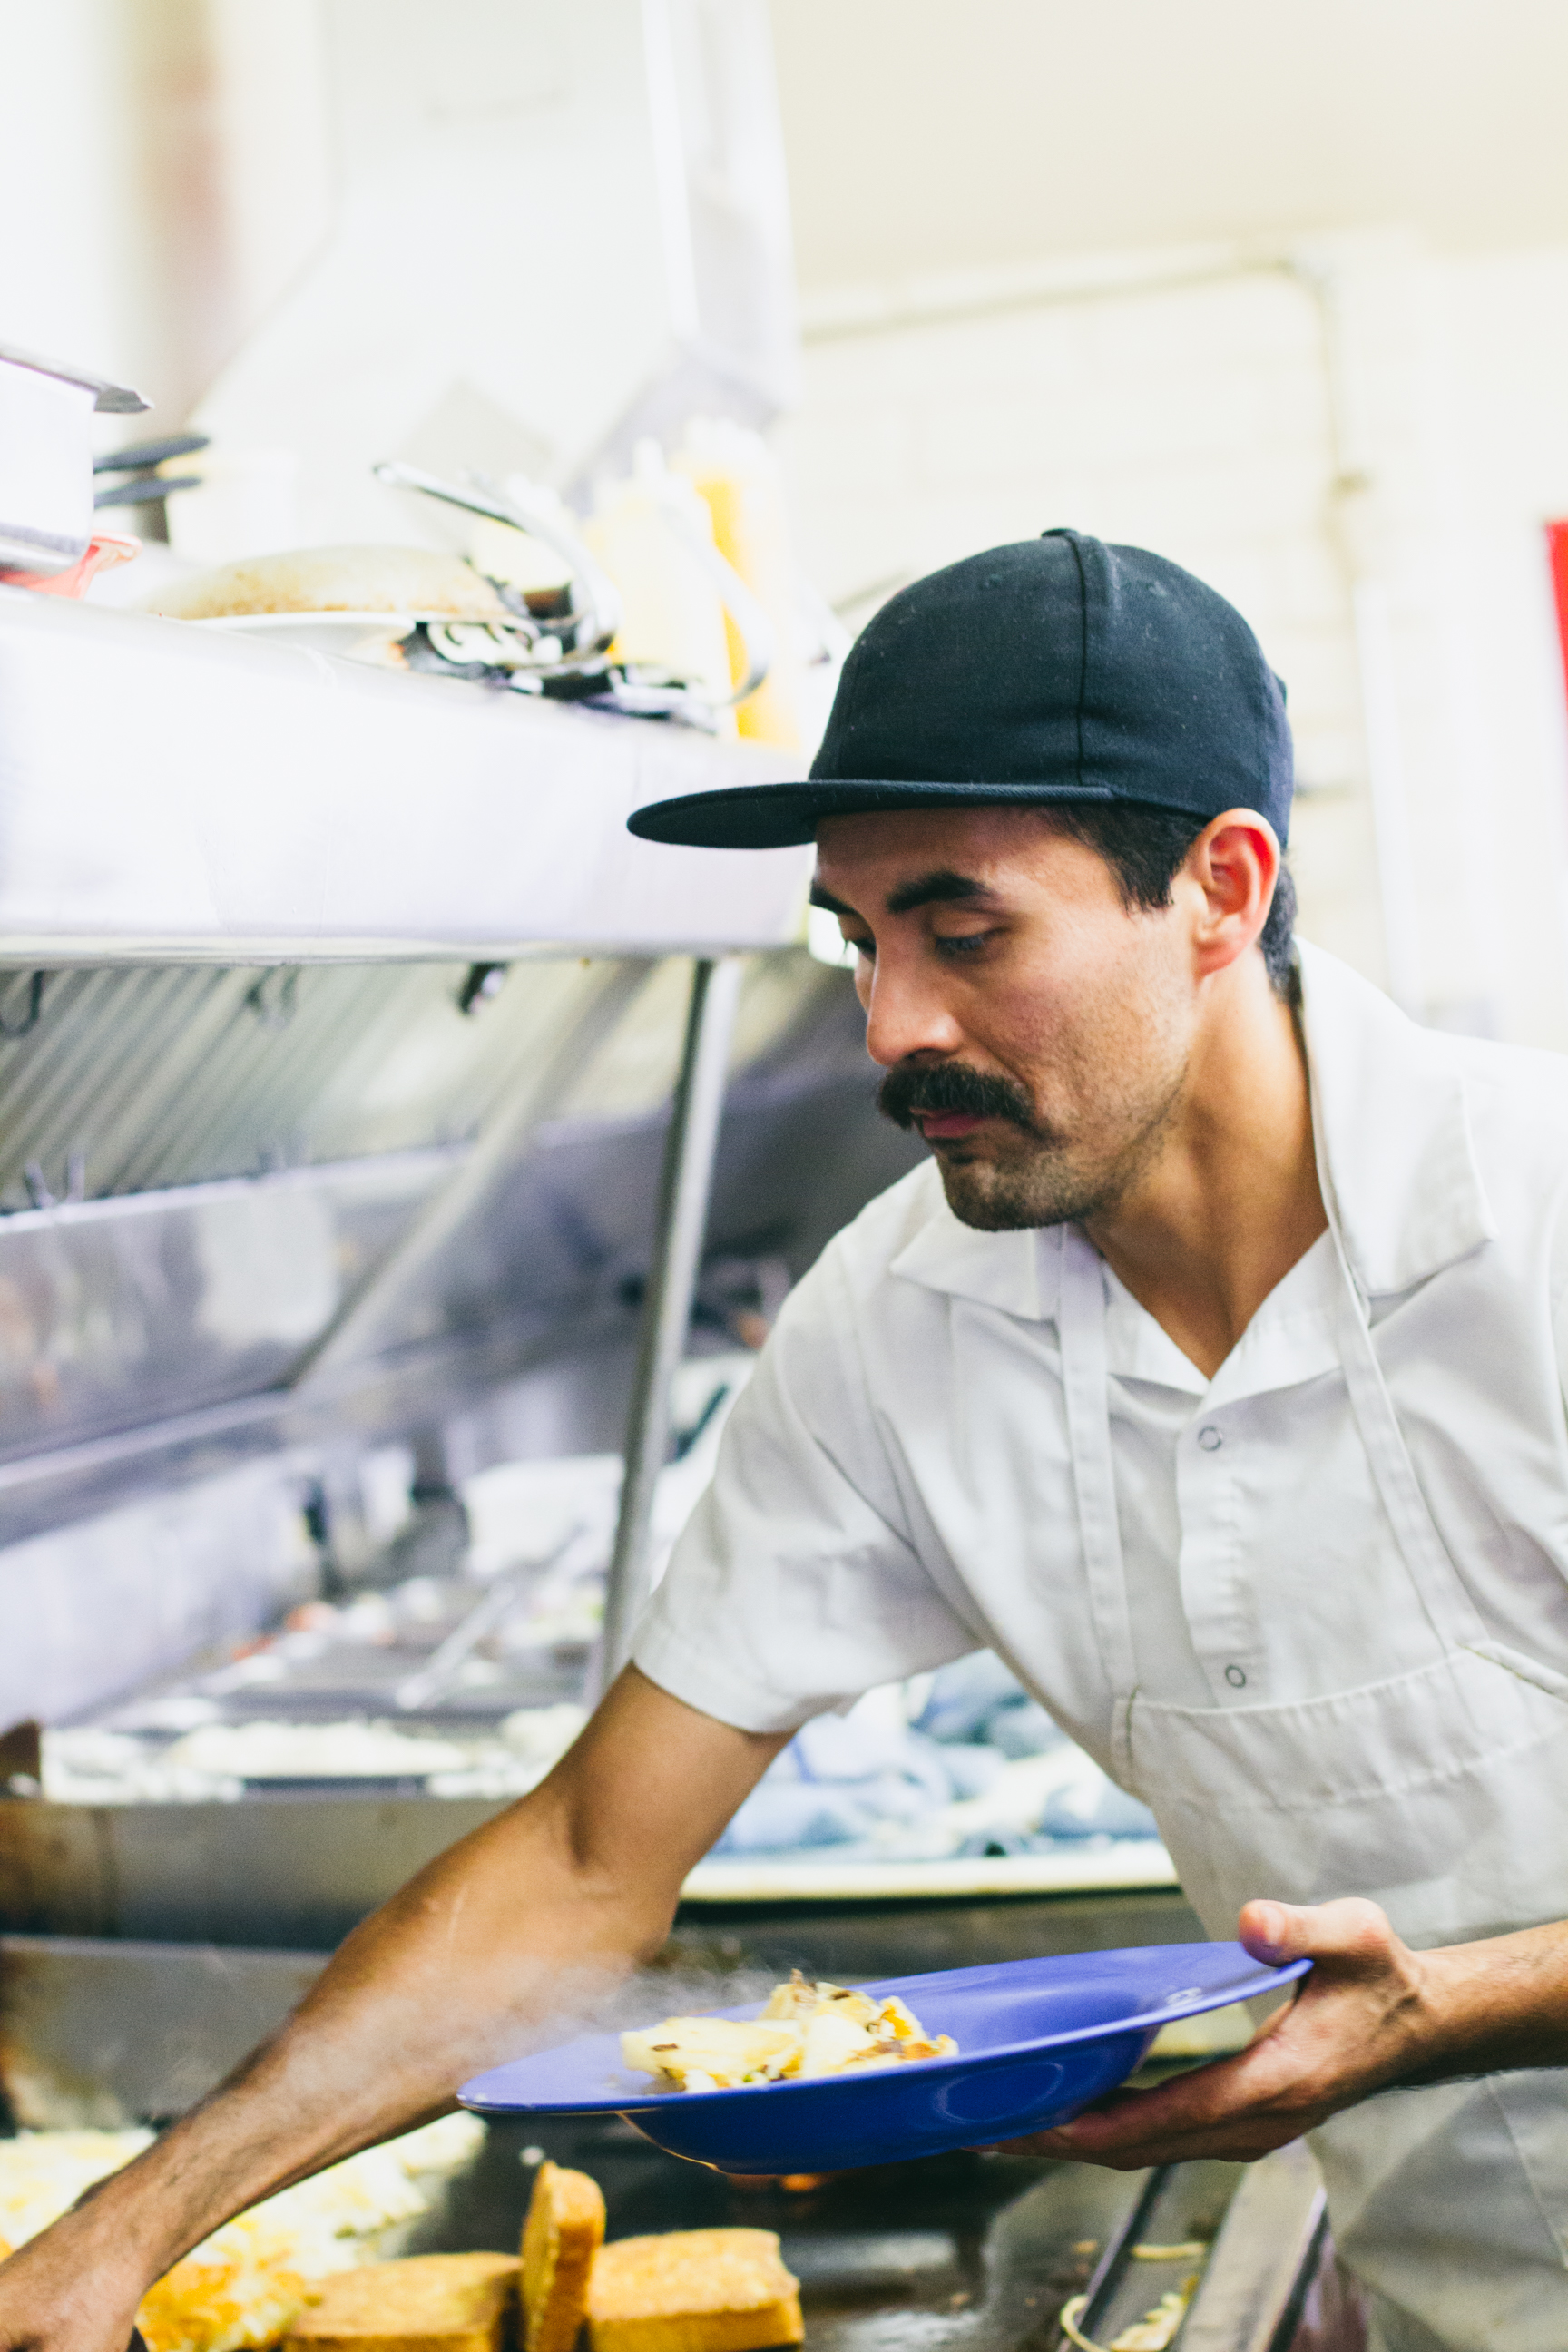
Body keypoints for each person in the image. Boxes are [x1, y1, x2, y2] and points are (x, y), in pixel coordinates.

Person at [5, 529, 1568, 2352]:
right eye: (859, 937)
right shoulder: (900, 1327)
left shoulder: (1534, 1216)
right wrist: (128, 2232)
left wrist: (1460, 2001)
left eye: (968, 930)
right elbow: (589, 1862)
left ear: (1221, 887)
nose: (894, 1023)